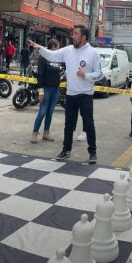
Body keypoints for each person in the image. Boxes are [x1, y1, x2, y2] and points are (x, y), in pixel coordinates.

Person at [28, 25, 103, 163]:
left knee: (89, 124)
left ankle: (92, 152)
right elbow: (52, 55)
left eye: (75, 34)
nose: (72, 36)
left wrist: (85, 75)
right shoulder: (68, 50)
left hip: (86, 95)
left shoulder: (93, 53)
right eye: (73, 34)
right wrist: (40, 48)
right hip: (71, 94)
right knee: (69, 124)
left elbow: (99, 75)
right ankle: (66, 150)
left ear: (83, 37)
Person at [30, 39, 62, 143]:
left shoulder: (58, 58)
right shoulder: (43, 58)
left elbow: (60, 71)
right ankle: (35, 133)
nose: (58, 49)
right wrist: (41, 92)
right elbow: (40, 76)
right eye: (57, 47)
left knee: (50, 112)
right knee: (42, 112)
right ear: (53, 46)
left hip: (55, 89)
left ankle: (46, 133)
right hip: (46, 89)